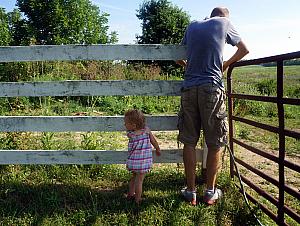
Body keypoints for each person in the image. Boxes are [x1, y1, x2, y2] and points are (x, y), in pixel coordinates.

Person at [176, 7, 249, 206]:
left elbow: (177, 56)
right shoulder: (224, 22)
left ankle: (190, 192)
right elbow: (244, 50)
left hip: (189, 88)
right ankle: (210, 192)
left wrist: (190, 67)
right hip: (211, 88)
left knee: (189, 141)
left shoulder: (192, 25)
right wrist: (225, 65)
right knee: (215, 142)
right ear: (225, 16)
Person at [124, 109, 161, 204]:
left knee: (133, 178)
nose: (124, 125)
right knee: (139, 181)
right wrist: (157, 148)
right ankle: (137, 199)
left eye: (126, 123)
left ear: (133, 126)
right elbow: (153, 141)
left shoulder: (131, 135)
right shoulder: (147, 131)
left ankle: (130, 194)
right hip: (143, 163)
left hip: (133, 162)